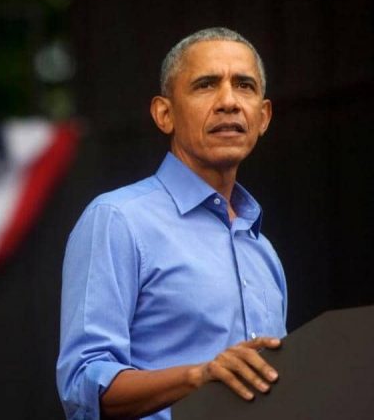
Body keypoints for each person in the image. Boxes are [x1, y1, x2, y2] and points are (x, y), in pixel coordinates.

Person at [56, 27, 287, 420]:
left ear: (263, 117)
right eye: (206, 85)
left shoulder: (263, 250)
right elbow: (83, 386)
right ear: (165, 114)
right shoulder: (118, 220)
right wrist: (199, 376)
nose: (229, 102)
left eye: (244, 86)